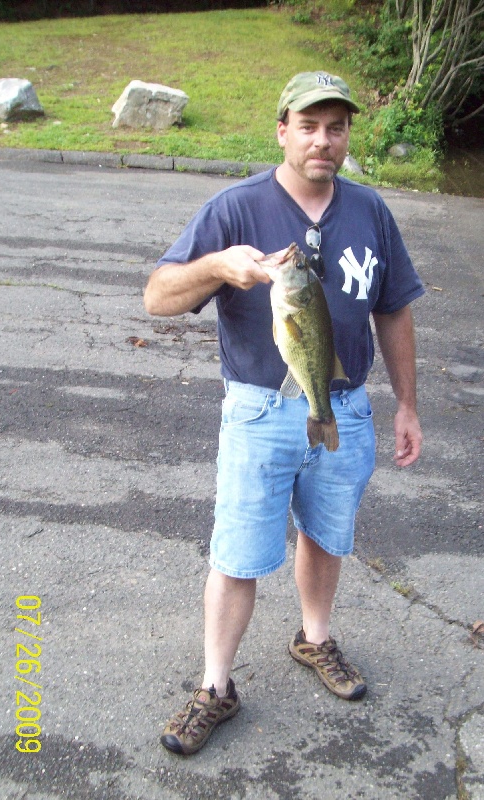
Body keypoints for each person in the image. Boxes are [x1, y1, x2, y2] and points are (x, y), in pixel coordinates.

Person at [144, 71, 424, 756]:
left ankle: (315, 638)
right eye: (308, 125)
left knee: (326, 538)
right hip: (258, 410)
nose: (322, 140)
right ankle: (215, 686)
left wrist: (407, 405)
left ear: (347, 135)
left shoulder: (369, 211)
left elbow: (393, 309)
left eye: (336, 127)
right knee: (238, 554)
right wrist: (216, 265)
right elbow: (157, 296)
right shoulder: (235, 207)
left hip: (343, 406)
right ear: (282, 129)